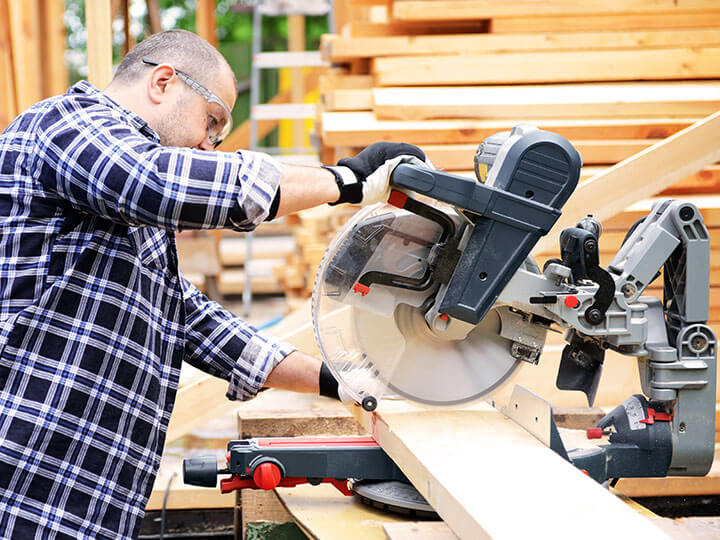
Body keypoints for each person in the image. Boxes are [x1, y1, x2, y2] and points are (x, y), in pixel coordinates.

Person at [0, 30, 428, 539]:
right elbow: (163, 181)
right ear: (163, 82)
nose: (209, 144)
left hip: (82, 496)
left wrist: (344, 380)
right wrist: (346, 181)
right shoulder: (62, 128)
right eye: (212, 122)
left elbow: (190, 322)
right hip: (25, 481)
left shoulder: (130, 211)